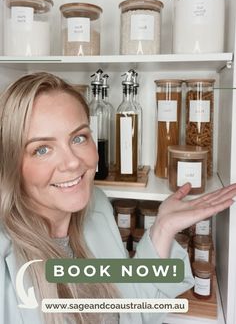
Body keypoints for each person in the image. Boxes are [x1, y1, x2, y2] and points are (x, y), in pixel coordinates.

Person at [0, 72, 236, 324]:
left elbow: (133, 307)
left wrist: (163, 230)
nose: (72, 162)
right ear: (11, 162)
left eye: (79, 138)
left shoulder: (96, 207)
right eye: (42, 149)